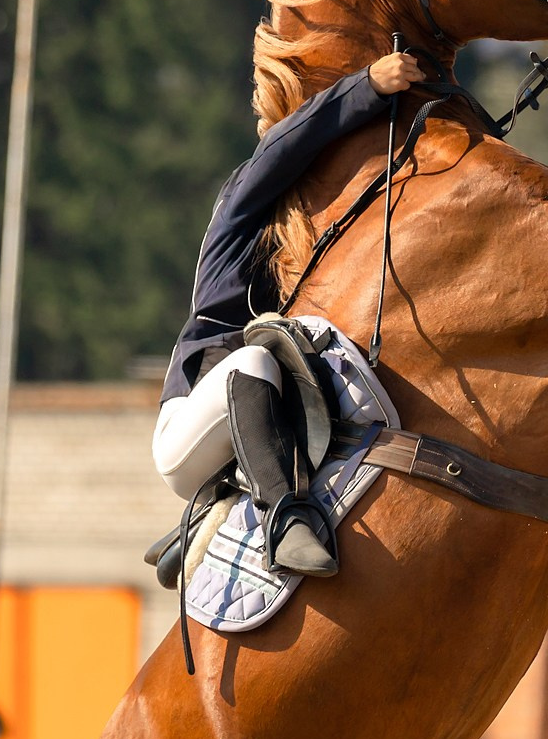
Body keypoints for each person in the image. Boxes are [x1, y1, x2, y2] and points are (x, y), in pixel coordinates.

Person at [153, 47, 428, 578]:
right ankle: (285, 520)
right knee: (255, 362)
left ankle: (211, 517)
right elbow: (282, 150)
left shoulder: (312, 248)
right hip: (192, 426)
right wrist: (368, 85)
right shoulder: (242, 201)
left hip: (258, 429)